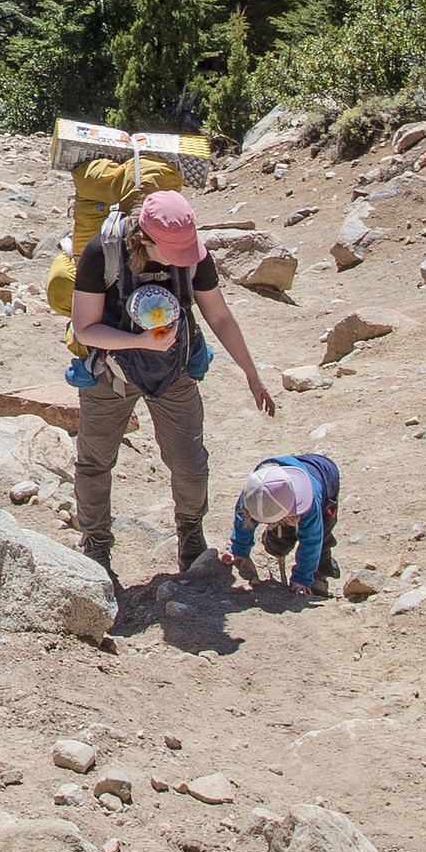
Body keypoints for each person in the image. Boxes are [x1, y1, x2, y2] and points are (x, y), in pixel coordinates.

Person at [66, 186, 274, 583]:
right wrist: (141, 341)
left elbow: (219, 315)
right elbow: (85, 328)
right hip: (112, 372)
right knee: (95, 463)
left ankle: (190, 535)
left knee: (190, 463)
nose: (181, 260)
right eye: (171, 253)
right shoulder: (102, 252)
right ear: (144, 239)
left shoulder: (194, 253)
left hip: (175, 369)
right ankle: (96, 543)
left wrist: (251, 373)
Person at [225, 451, 343, 598]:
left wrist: (302, 578)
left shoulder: (311, 499)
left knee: (321, 537)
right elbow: (243, 518)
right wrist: (239, 549)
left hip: (325, 476)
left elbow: (312, 540)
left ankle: (320, 573)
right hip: (289, 481)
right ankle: (276, 540)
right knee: (280, 541)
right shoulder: (256, 489)